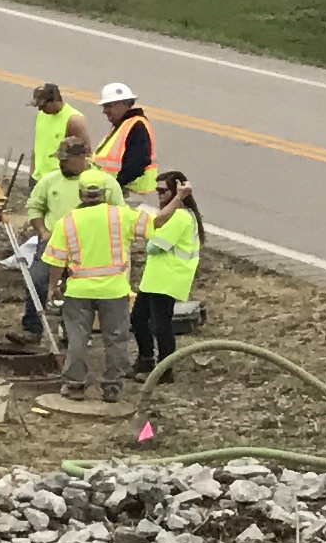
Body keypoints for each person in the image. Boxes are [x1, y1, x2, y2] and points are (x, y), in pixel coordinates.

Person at [45, 160, 140, 403]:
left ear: (81, 193)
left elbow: (56, 260)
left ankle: (75, 385)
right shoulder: (121, 216)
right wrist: (178, 200)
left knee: (77, 339)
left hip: (78, 291)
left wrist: (52, 287)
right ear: (105, 193)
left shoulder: (67, 222)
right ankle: (112, 388)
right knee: (116, 339)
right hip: (114, 290)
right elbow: (155, 224)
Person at [14, 127, 93, 342]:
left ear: (80, 158)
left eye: (66, 160)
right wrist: (42, 231)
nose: (61, 163)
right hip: (51, 242)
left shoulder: (98, 180)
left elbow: (115, 211)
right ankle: (32, 328)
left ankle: (73, 333)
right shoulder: (50, 181)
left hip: (86, 246)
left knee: (77, 289)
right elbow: (34, 207)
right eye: (60, 159)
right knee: (36, 278)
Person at [132, 168, 201, 378]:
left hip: (168, 278)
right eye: (157, 190)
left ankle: (164, 370)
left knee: (161, 325)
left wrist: (149, 233)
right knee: (138, 319)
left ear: (175, 192)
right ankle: (145, 360)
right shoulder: (173, 215)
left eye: (163, 191)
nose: (159, 194)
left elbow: (154, 246)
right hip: (155, 278)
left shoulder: (180, 217)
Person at [94, 82, 158, 202]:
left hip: (129, 194)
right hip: (119, 192)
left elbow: (137, 162)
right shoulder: (122, 125)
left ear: (125, 103)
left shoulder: (136, 125)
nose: (105, 111)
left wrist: (117, 185)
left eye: (109, 106)